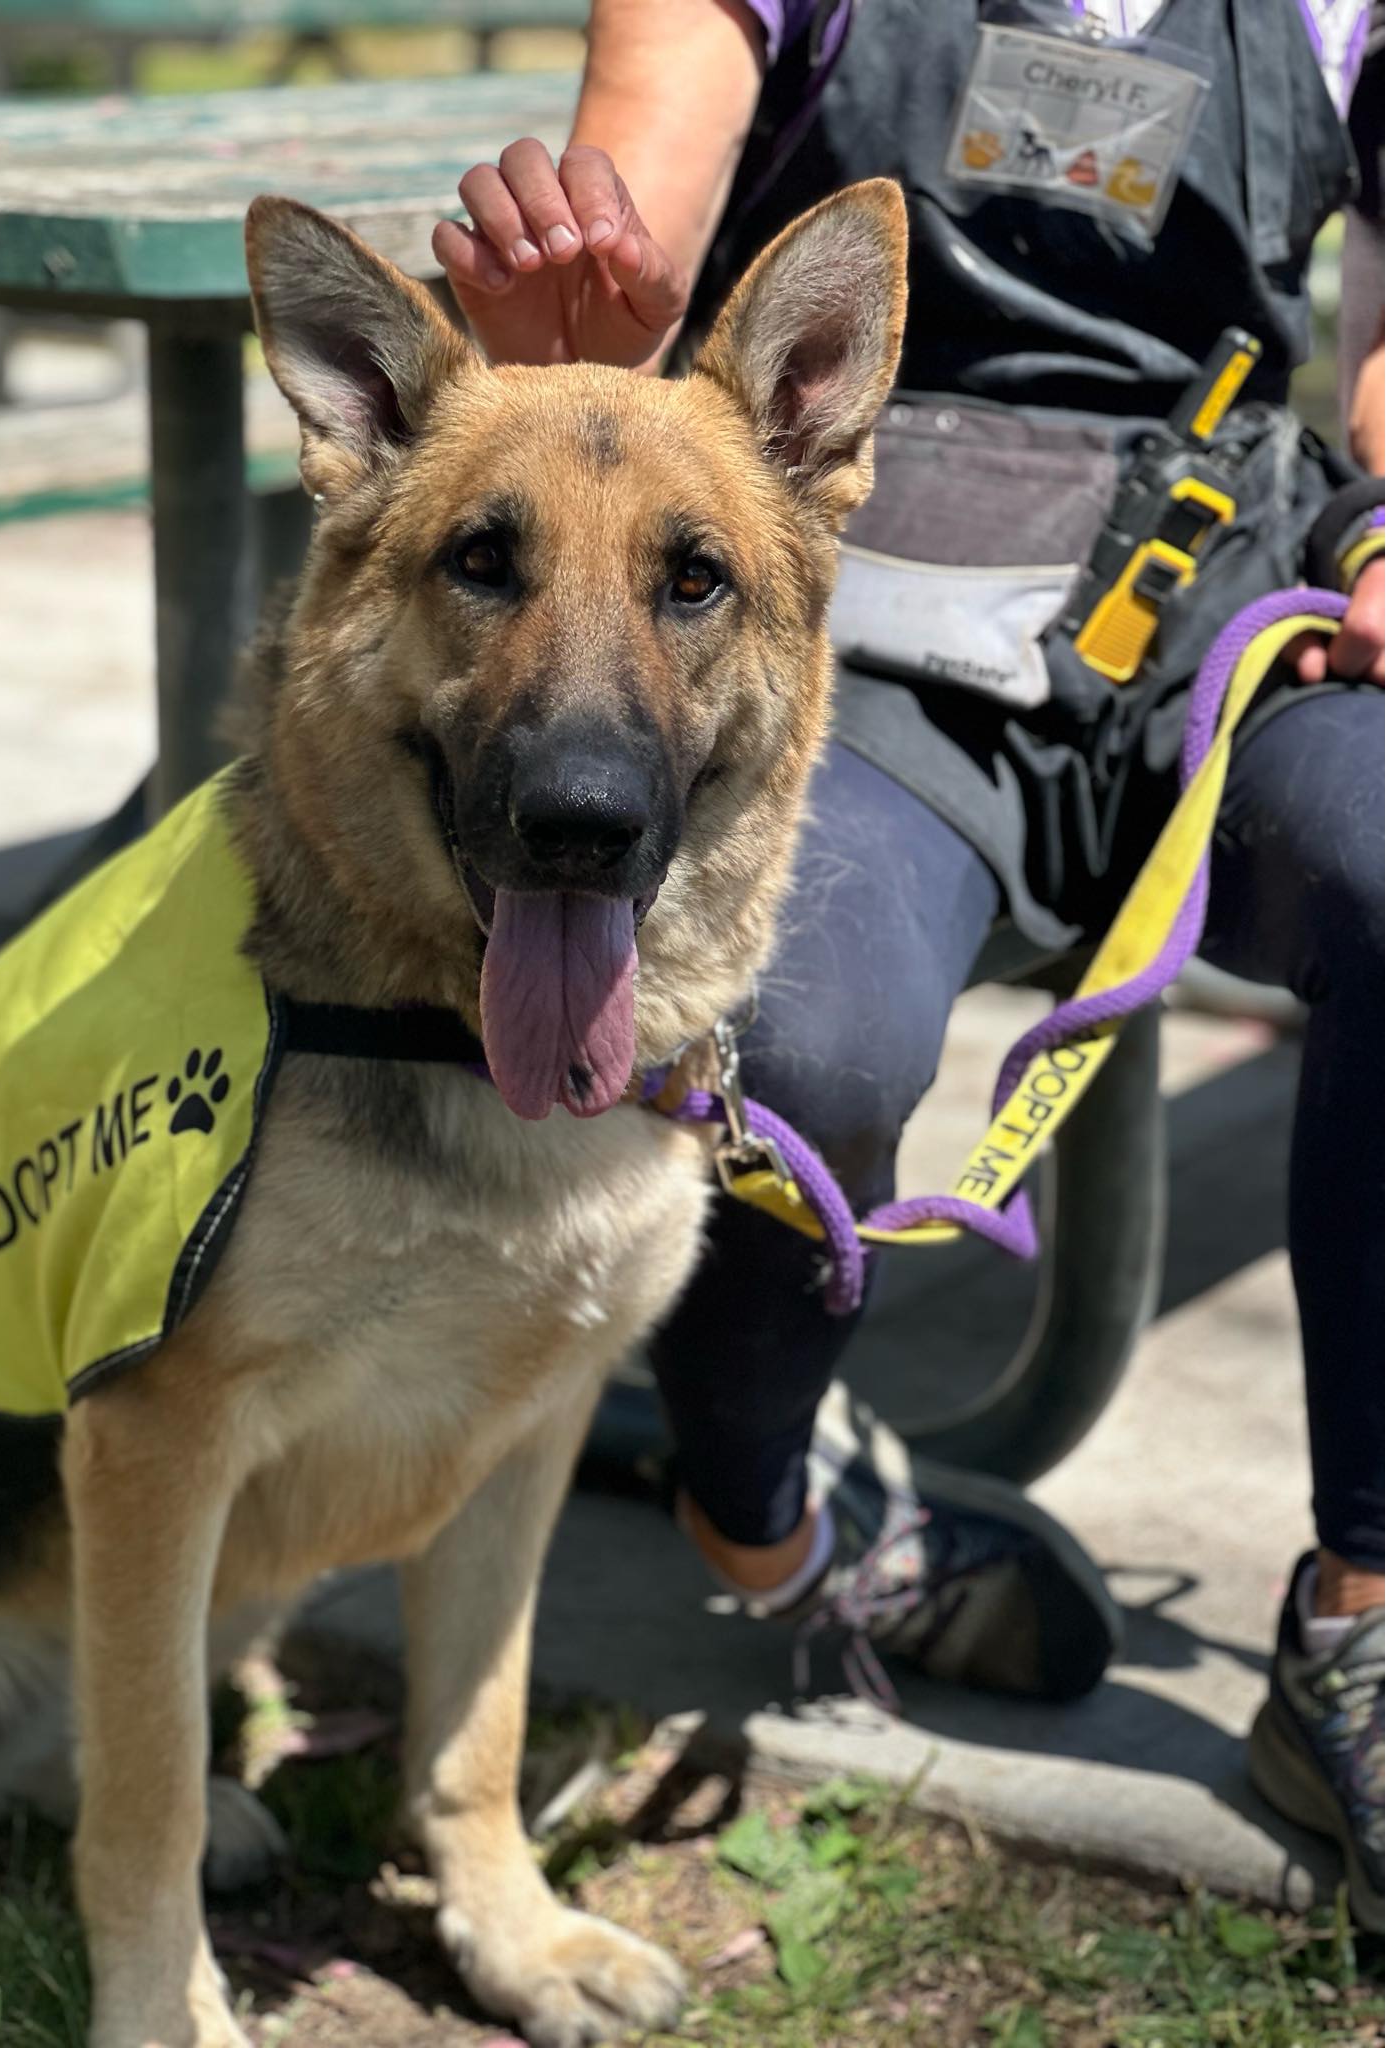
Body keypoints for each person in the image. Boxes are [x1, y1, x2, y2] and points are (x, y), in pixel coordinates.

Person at [431, 0, 1385, 1928]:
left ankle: (1361, 1623)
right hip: (854, 615)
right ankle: (766, 1508)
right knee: (803, 1032)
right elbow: (644, 230)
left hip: (1217, 587)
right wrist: (583, 307)